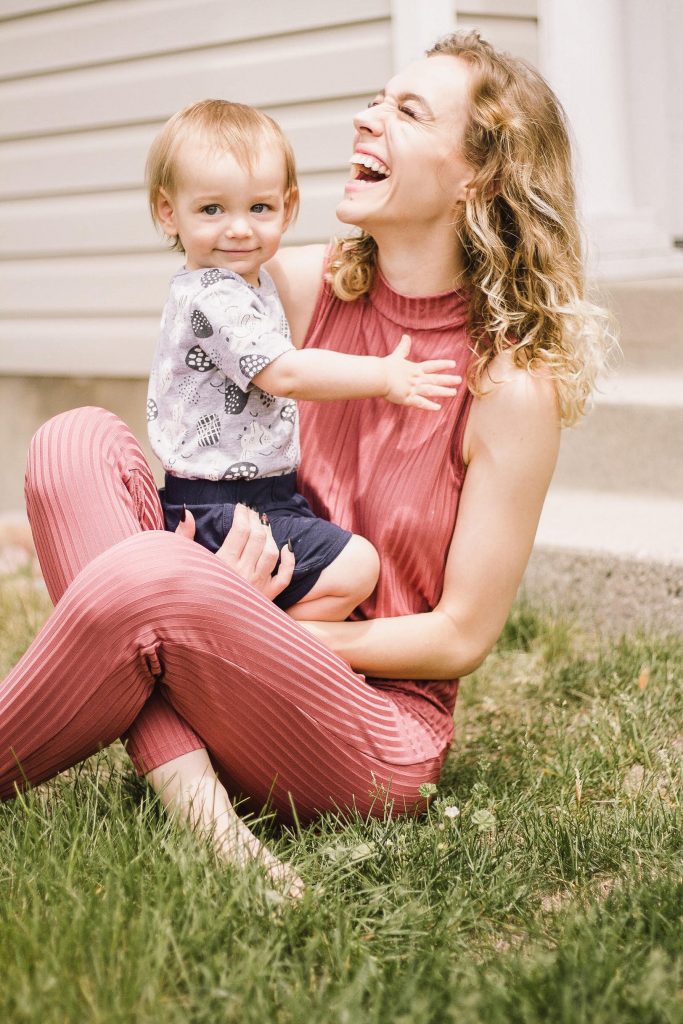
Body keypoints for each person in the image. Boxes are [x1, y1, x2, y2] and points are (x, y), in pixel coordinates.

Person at [0, 32, 611, 895]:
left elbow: (460, 636)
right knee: (73, 444)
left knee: (156, 581)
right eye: (376, 97)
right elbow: (207, 252)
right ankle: (206, 812)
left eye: (406, 111)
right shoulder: (308, 285)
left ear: (479, 175)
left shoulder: (508, 381)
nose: (367, 117)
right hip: (235, 630)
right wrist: (222, 608)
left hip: (365, 722)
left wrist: (255, 626)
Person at [145, 100, 461, 619]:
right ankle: (253, 648)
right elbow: (284, 372)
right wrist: (382, 374)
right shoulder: (213, 295)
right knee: (357, 567)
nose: (240, 229)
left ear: (287, 209)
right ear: (167, 212)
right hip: (220, 508)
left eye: (260, 209)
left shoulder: (248, 281)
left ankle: (249, 640)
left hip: (259, 495)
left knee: (338, 568)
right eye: (212, 210)